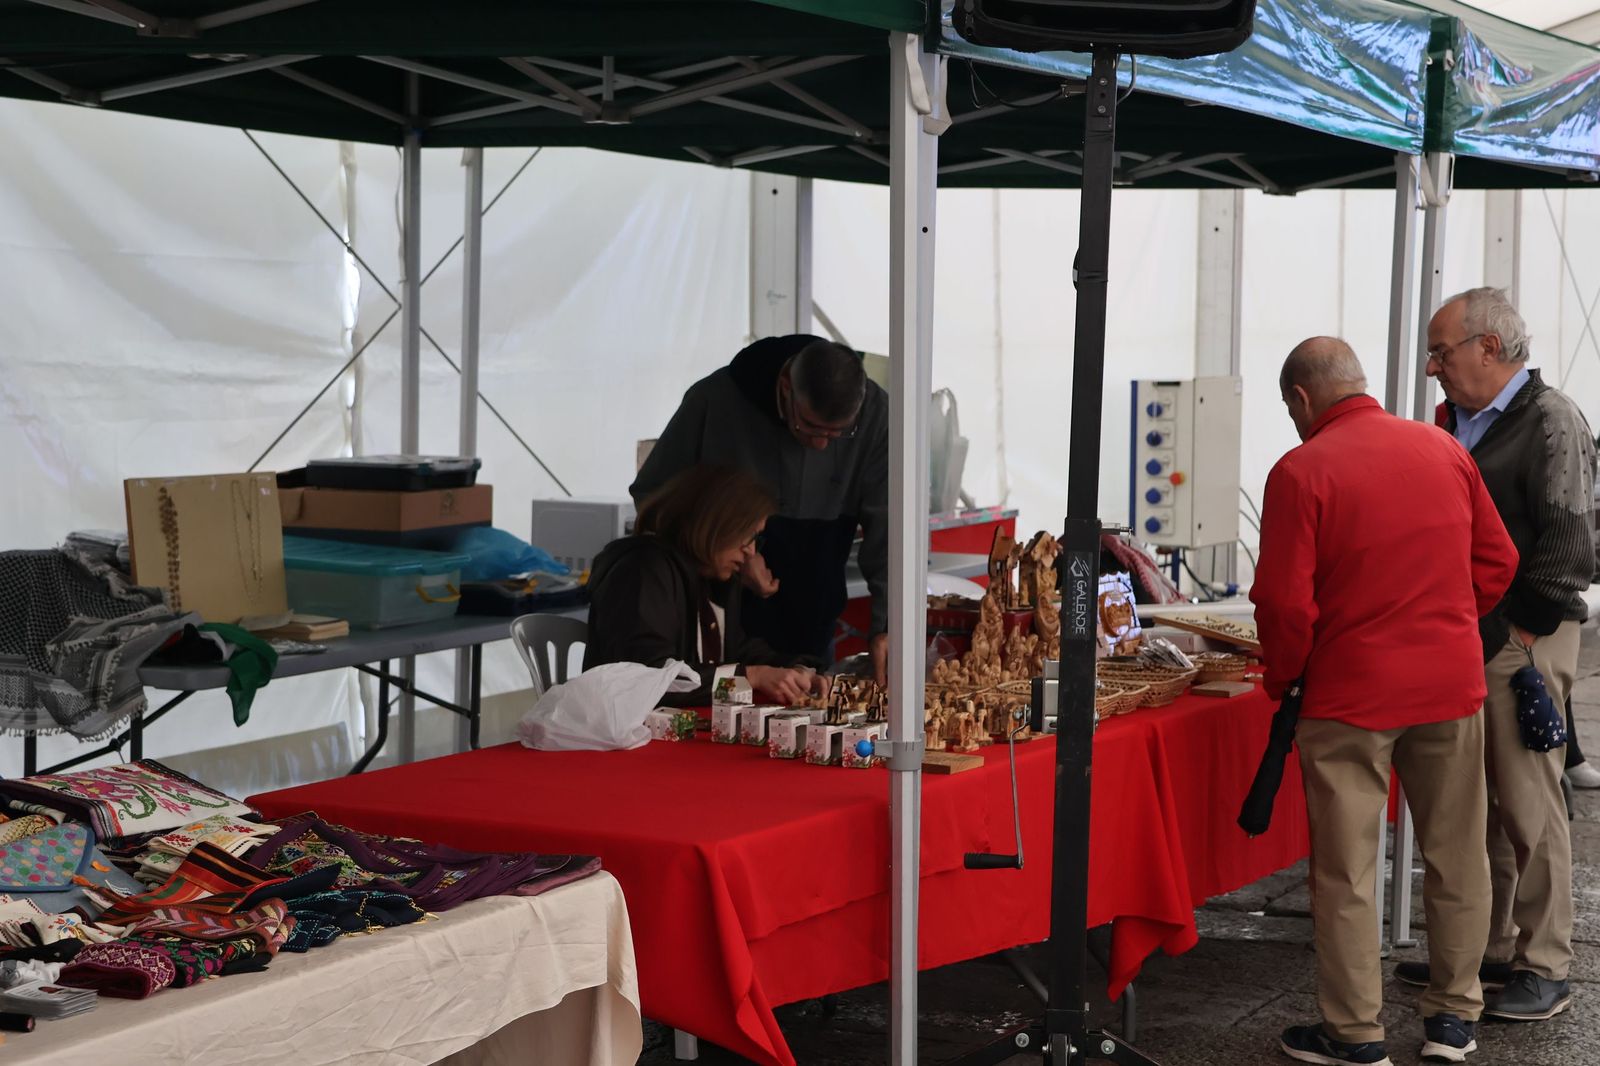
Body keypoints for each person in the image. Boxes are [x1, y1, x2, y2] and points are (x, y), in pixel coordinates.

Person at [1251, 338, 1517, 1065]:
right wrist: (1449, 622)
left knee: (1347, 870)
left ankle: (1356, 1034)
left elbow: (1283, 604)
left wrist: (1285, 677)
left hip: (1348, 694)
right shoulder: (1443, 450)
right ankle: (1455, 1019)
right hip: (1449, 685)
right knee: (1457, 855)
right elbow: (1498, 562)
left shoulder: (1301, 470)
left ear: (1301, 398)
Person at [1394, 288, 1596, 1024]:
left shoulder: (1552, 419)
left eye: (1441, 350)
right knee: (1478, 802)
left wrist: (1520, 639)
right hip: (1471, 634)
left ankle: (1546, 964)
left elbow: (1572, 545)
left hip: (1522, 634)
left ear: (1488, 347)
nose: (1431, 366)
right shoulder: (1456, 421)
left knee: (1528, 801)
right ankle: (1489, 950)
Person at [631, 334, 890, 682]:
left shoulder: (877, 415)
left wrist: (889, 626)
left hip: (812, 619)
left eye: (837, 435)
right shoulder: (715, 401)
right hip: (719, 624)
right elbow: (654, 501)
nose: (819, 445)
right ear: (786, 388)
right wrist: (729, 546)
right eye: (809, 426)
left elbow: (892, 531)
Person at [584, 464, 827, 708]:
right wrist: (751, 676)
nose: (751, 551)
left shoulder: (709, 576)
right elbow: (649, 678)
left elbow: (738, 652)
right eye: (748, 535)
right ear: (716, 525)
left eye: (756, 538)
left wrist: (796, 670)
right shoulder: (642, 570)